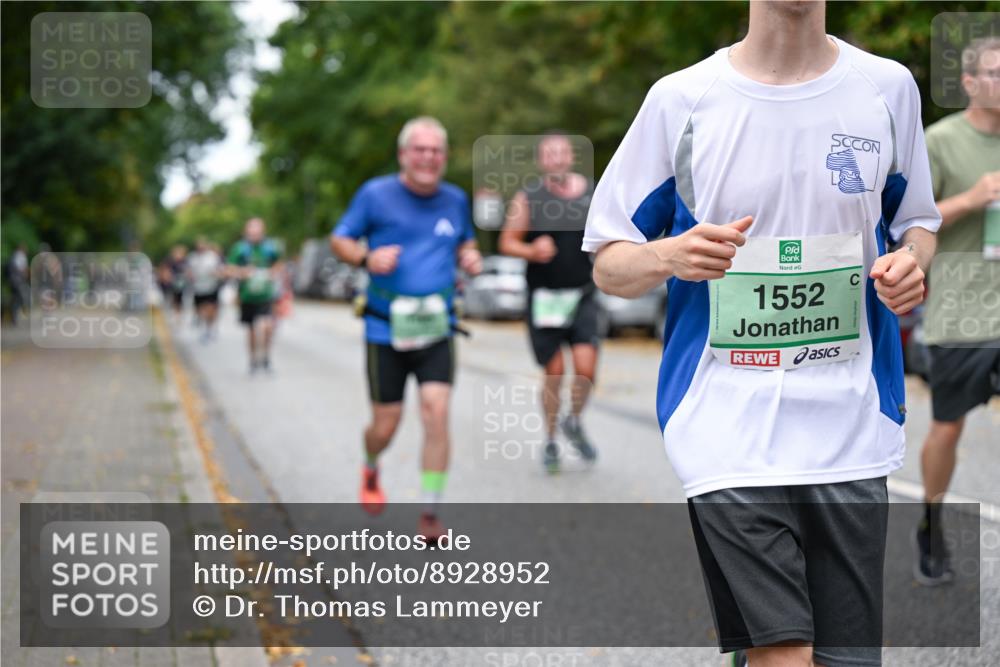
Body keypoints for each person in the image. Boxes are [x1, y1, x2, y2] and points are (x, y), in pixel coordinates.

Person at [584, 2, 939, 666]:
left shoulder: (887, 89)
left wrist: (911, 263)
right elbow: (609, 261)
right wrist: (669, 254)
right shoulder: (682, 100)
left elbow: (916, 222)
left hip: (851, 422)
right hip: (724, 422)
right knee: (785, 654)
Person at [331, 116, 483, 542]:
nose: (428, 157)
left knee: (436, 412)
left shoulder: (455, 199)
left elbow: (465, 241)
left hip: (437, 327)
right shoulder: (375, 194)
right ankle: (370, 463)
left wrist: (470, 257)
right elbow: (339, 239)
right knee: (386, 425)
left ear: (444, 157)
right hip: (386, 330)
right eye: (420, 149)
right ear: (403, 155)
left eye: (436, 150)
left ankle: (430, 513)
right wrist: (366, 258)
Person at [915, 36, 1000, 586]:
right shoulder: (940, 141)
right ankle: (931, 520)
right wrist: (971, 198)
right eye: (995, 73)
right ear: (968, 82)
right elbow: (911, 221)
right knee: (947, 430)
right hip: (960, 312)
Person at [499, 132, 599, 472]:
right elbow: (507, 241)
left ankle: (574, 420)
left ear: (571, 157)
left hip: (582, 293)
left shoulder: (591, 193)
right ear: (542, 161)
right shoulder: (529, 197)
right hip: (544, 298)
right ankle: (552, 438)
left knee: (586, 369)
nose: (556, 158)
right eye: (549, 153)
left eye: (561, 152)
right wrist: (530, 250)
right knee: (554, 372)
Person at [226, 218, 283, 373]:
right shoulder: (240, 248)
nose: (255, 235)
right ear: (246, 232)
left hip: (266, 294)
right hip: (247, 296)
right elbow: (229, 268)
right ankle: (252, 360)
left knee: (267, 326)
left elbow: (279, 264)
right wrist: (242, 272)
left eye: (258, 232)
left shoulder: (270, 247)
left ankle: (265, 357)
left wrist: (272, 273)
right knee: (251, 330)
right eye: (252, 232)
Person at [187, 237, 224, 341]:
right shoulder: (192, 257)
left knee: (210, 309)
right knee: (200, 310)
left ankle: (210, 328)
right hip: (198, 288)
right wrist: (190, 276)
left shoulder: (212, 257)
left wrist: (215, 274)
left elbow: (220, 270)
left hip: (211, 287)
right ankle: (204, 328)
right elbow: (188, 271)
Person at [5, 244, 29, 326]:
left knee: (15, 299)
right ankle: (15, 317)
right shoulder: (20, 256)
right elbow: (22, 269)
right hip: (17, 281)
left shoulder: (14, 255)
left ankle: (13, 317)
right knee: (19, 298)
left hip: (12, 281)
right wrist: (26, 274)